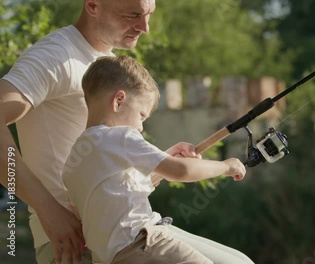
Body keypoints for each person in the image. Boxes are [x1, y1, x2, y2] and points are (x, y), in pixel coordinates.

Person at [0, 1, 182, 263]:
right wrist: (49, 211)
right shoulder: (55, 55)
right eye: (133, 15)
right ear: (93, 5)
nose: (145, 28)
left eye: (148, 15)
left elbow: (102, 169)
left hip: (129, 234)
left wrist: (163, 165)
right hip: (76, 246)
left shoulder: (107, 65)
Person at [62, 55, 254, 264]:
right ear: (118, 101)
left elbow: (117, 196)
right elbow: (182, 171)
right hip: (143, 243)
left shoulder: (74, 160)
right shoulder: (120, 136)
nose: (140, 127)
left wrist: (164, 159)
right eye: (141, 115)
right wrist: (226, 166)